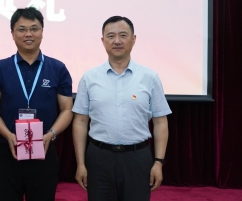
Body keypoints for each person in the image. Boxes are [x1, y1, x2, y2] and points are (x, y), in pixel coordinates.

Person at [72, 16, 171, 201]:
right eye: (111, 36)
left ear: (133, 39)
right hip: (99, 158)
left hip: (137, 158)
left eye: (123, 35)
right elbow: (80, 121)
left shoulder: (149, 77)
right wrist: (81, 164)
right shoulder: (89, 78)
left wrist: (158, 162)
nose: (117, 41)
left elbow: (160, 122)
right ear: (103, 41)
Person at [0, 7, 73, 201]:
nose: (28, 34)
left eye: (34, 28)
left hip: (44, 152)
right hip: (8, 152)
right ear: (13, 33)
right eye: (22, 29)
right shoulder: (0, 68)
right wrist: (8, 135)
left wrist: (51, 134)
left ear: (42, 31)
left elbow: (67, 110)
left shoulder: (57, 68)